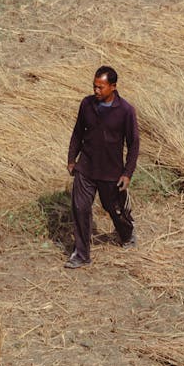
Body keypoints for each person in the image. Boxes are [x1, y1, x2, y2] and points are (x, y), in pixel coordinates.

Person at [65, 65, 140, 269]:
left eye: (101, 87)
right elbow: (78, 133)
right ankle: (81, 254)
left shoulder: (125, 111)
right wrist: (72, 159)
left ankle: (126, 234)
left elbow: (133, 144)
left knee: (114, 209)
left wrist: (127, 173)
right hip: (86, 167)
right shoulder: (87, 104)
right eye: (94, 86)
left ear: (113, 87)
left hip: (111, 172)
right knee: (80, 208)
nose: (96, 91)